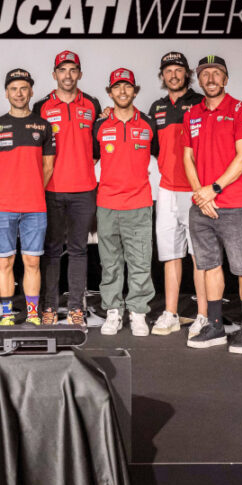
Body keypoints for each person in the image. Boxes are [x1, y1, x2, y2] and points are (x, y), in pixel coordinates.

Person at [182, 55, 242, 352]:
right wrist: (200, 195)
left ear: (226, 79)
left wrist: (213, 189)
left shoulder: (240, 110)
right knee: (210, 266)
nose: (211, 78)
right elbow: (188, 158)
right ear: (199, 80)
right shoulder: (192, 114)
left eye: (216, 73)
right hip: (202, 205)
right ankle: (215, 326)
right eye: (205, 74)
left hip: (235, 204)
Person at [33, 50, 101, 326]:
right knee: (50, 250)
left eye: (73, 70)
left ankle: (75, 308)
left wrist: (81, 166)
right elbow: (35, 149)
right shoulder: (41, 106)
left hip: (84, 190)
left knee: (78, 250)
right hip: (51, 190)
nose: (68, 75)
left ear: (80, 74)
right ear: (54, 75)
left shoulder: (92, 104)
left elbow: (97, 147)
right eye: (62, 70)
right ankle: (49, 306)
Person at [0, 69, 55, 326]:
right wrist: (5, 191)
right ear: (6, 93)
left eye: (23, 88)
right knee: (5, 261)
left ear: (31, 92)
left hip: (35, 206)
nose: (19, 93)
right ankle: (7, 314)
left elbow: (48, 166)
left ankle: (33, 314)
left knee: (32, 261)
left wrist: (32, 189)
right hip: (4, 206)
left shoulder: (43, 126)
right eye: (13, 89)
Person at [93, 68, 160, 337]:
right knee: (110, 263)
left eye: (127, 86)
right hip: (107, 204)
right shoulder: (99, 126)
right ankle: (113, 311)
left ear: (135, 91)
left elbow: (163, 156)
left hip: (139, 204)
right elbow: (92, 158)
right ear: (110, 92)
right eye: (117, 87)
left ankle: (138, 312)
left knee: (140, 262)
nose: (122, 91)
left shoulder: (148, 124)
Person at [146, 51, 204, 336]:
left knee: (199, 257)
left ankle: (204, 315)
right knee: (171, 255)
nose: (173, 75)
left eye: (178, 70)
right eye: (168, 71)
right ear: (162, 76)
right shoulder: (156, 107)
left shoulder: (201, 102)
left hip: (195, 190)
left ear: (187, 74)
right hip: (167, 189)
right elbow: (155, 149)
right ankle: (171, 313)